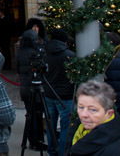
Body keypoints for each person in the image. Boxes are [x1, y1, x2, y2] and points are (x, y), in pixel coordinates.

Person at [67, 80, 120, 156]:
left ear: (109, 114)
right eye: (81, 107)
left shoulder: (116, 152)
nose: (84, 114)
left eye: (93, 110)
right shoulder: (78, 129)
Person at [43, 28, 75, 156]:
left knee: (51, 125)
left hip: (49, 93)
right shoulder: (70, 56)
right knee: (66, 126)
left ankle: (52, 150)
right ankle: (62, 152)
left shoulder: (45, 54)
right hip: (65, 96)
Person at [16, 29, 46, 150]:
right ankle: (36, 139)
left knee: (30, 113)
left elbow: (18, 69)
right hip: (34, 87)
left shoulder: (20, 52)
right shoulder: (35, 52)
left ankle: (32, 139)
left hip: (24, 87)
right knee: (35, 114)